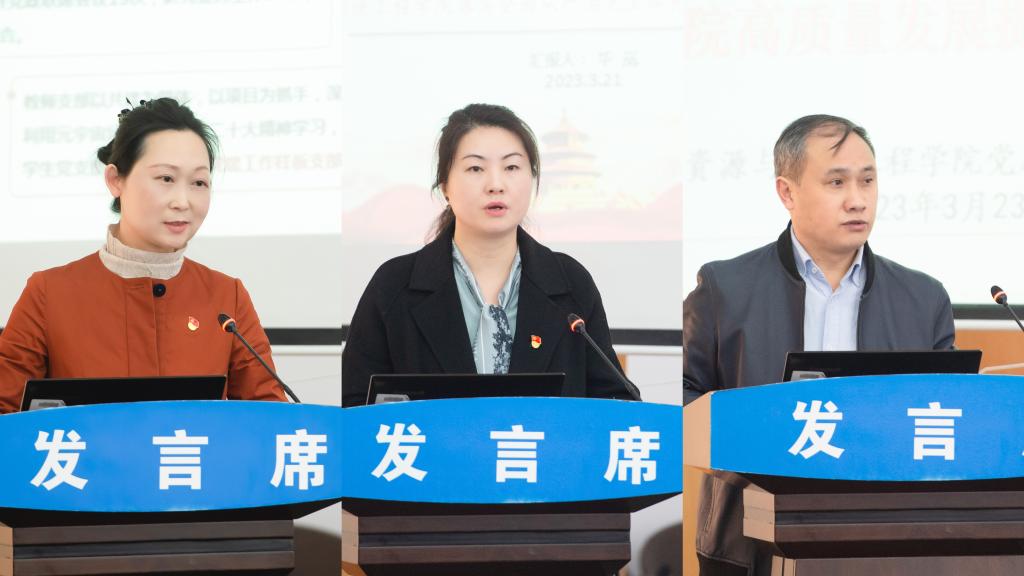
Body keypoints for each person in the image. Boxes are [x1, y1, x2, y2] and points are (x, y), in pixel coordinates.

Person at [683, 114, 955, 575]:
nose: (857, 199)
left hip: (889, 540)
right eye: (836, 182)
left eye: (867, 181)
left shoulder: (923, 299)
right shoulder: (725, 288)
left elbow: (948, 413)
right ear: (787, 193)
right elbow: (687, 397)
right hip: (749, 538)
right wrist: (750, 443)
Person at [0, 98, 285, 413]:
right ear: (115, 180)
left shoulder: (227, 296)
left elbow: (271, 419)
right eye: (166, 179)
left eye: (199, 182)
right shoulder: (49, 293)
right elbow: (5, 411)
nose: (183, 201)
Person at [342, 103, 635, 407]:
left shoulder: (571, 283)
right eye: (475, 168)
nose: (496, 185)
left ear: (532, 179)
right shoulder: (394, 285)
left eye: (511, 167)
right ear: (445, 186)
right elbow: (355, 404)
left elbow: (614, 402)